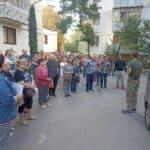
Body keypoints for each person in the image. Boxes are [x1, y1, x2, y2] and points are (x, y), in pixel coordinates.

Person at [0, 55, 23, 150]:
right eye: (6, 62)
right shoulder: (0, 80)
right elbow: (7, 100)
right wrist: (18, 96)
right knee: (2, 141)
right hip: (3, 116)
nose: (9, 63)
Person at [14, 58, 35, 125]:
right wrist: (31, 87)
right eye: (24, 63)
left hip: (29, 90)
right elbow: (21, 83)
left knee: (29, 104)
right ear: (19, 64)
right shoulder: (17, 72)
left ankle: (29, 116)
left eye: (26, 63)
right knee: (22, 106)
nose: (26, 64)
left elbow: (30, 78)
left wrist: (32, 84)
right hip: (23, 91)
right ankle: (22, 121)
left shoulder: (25, 70)